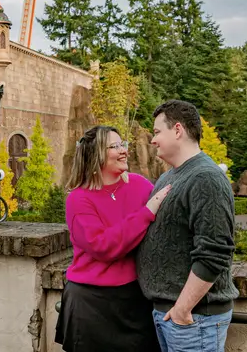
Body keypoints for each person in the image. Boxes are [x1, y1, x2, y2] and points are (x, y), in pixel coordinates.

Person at [55, 125, 171, 351]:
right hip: (90, 304)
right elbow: (103, 246)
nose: (123, 150)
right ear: (96, 154)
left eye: (123, 144)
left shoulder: (140, 185)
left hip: (134, 299)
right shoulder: (79, 200)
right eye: (114, 146)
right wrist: (146, 212)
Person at [138, 100, 237, 352]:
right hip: (170, 315)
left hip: (194, 320)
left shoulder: (206, 178)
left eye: (158, 132)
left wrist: (182, 309)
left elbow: (215, 252)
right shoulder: (170, 176)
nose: (153, 140)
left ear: (178, 130)